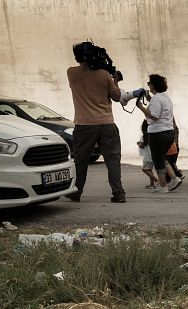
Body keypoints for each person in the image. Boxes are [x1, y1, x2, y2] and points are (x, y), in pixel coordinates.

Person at [65, 42, 125, 203]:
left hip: (84, 124)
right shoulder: (104, 75)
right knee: (112, 160)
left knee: (80, 160)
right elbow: (117, 97)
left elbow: (86, 72)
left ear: (77, 56)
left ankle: (76, 192)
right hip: (106, 123)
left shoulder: (71, 73)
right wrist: (115, 80)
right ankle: (118, 193)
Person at [136, 74, 179, 193]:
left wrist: (140, 106)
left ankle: (163, 186)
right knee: (162, 157)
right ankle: (175, 179)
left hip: (157, 133)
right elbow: (158, 107)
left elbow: (154, 116)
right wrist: (149, 98)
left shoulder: (156, 99)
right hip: (168, 132)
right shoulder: (165, 97)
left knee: (157, 160)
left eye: (149, 83)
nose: (148, 85)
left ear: (154, 85)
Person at [137, 121, 158, 189]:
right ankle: (151, 184)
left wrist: (138, 143)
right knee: (149, 170)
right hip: (153, 155)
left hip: (147, 156)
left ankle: (156, 180)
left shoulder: (143, 136)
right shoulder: (153, 135)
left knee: (144, 169)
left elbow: (142, 145)